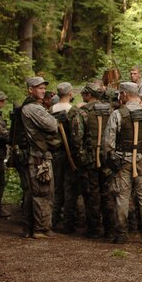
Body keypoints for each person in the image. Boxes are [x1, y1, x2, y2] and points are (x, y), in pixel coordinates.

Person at [104, 82, 142, 244]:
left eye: (120, 94)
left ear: (124, 94)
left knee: (122, 197)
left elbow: (108, 142)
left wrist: (111, 160)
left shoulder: (117, 114)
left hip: (122, 162)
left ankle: (121, 234)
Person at [18, 76, 61, 239]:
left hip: (38, 154)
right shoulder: (33, 108)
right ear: (30, 90)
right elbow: (51, 125)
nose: (43, 91)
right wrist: (55, 120)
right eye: (39, 88)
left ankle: (31, 227)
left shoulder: (36, 106)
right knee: (42, 192)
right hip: (38, 156)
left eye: (44, 88)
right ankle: (41, 229)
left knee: (35, 192)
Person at [77, 82, 112, 238]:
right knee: (108, 192)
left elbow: (77, 137)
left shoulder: (83, 112)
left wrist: (80, 155)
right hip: (107, 157)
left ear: (88, 95)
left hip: (90, 158)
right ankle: (110, 228)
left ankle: (94, 229)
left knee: (92, 193)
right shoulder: (110, 110)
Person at [50, 82, 82, 233]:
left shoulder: (50, 110)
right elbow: (77, 135)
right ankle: (68, 223)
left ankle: (53, 219)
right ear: (70, 94)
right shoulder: (73, 111)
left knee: (56, 187)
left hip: (55, 154)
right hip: (69, 154)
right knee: (70, 188)